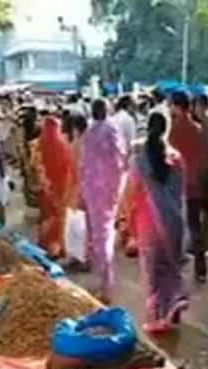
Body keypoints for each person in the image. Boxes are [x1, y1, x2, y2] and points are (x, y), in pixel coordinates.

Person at [131, 112, 189, 332]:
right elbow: (181, 192)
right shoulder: (176, 157)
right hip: (174, 220)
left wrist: (126, 219)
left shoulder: (139, 159)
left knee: (152, 271)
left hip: (149, 221)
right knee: (171, 267)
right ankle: (174, 304)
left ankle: (156, 318)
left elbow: (133, 190)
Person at [81, 99, 127, 303]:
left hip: (93, 190)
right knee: (105, 233)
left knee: (100, 235)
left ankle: (105, 282)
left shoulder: (90, 133)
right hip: (108, 190)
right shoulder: (111, 130)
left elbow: (85, 163)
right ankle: (105, 282)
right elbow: (120, 160)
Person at [169, 90, 208, 283]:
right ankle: (201, 269)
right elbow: (204, 159)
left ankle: (175, 266)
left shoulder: (174, 130)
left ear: (178, 107)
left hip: (178, 187)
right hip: (196, 186)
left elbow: (169, 160)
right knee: (196, 228)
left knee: (176, 228)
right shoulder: (198, 128)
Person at [37, 116, 74, 259]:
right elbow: (68, 168)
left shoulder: (39, 145)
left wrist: (45, 184)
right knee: (60, 217)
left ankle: (48, 246)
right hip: (61, 187)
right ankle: (59, 247)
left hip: (47, 187)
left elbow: (38, 167)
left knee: (48, 216)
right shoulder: (62, 145)